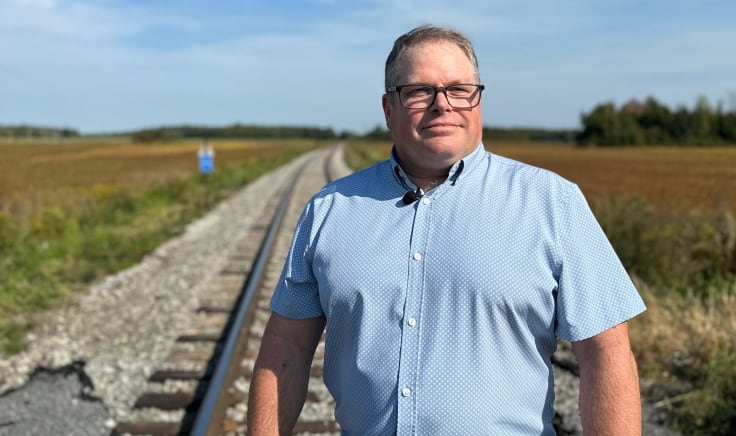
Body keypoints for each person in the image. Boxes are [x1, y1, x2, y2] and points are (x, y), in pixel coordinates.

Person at [248, 25, 646, 435]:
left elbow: (606, 353)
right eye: (419, 91)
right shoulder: (329, 210)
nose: (443, 104)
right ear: (389, 110)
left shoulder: (551, 203)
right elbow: (287, 347)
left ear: (478, 101)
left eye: (459, 88)